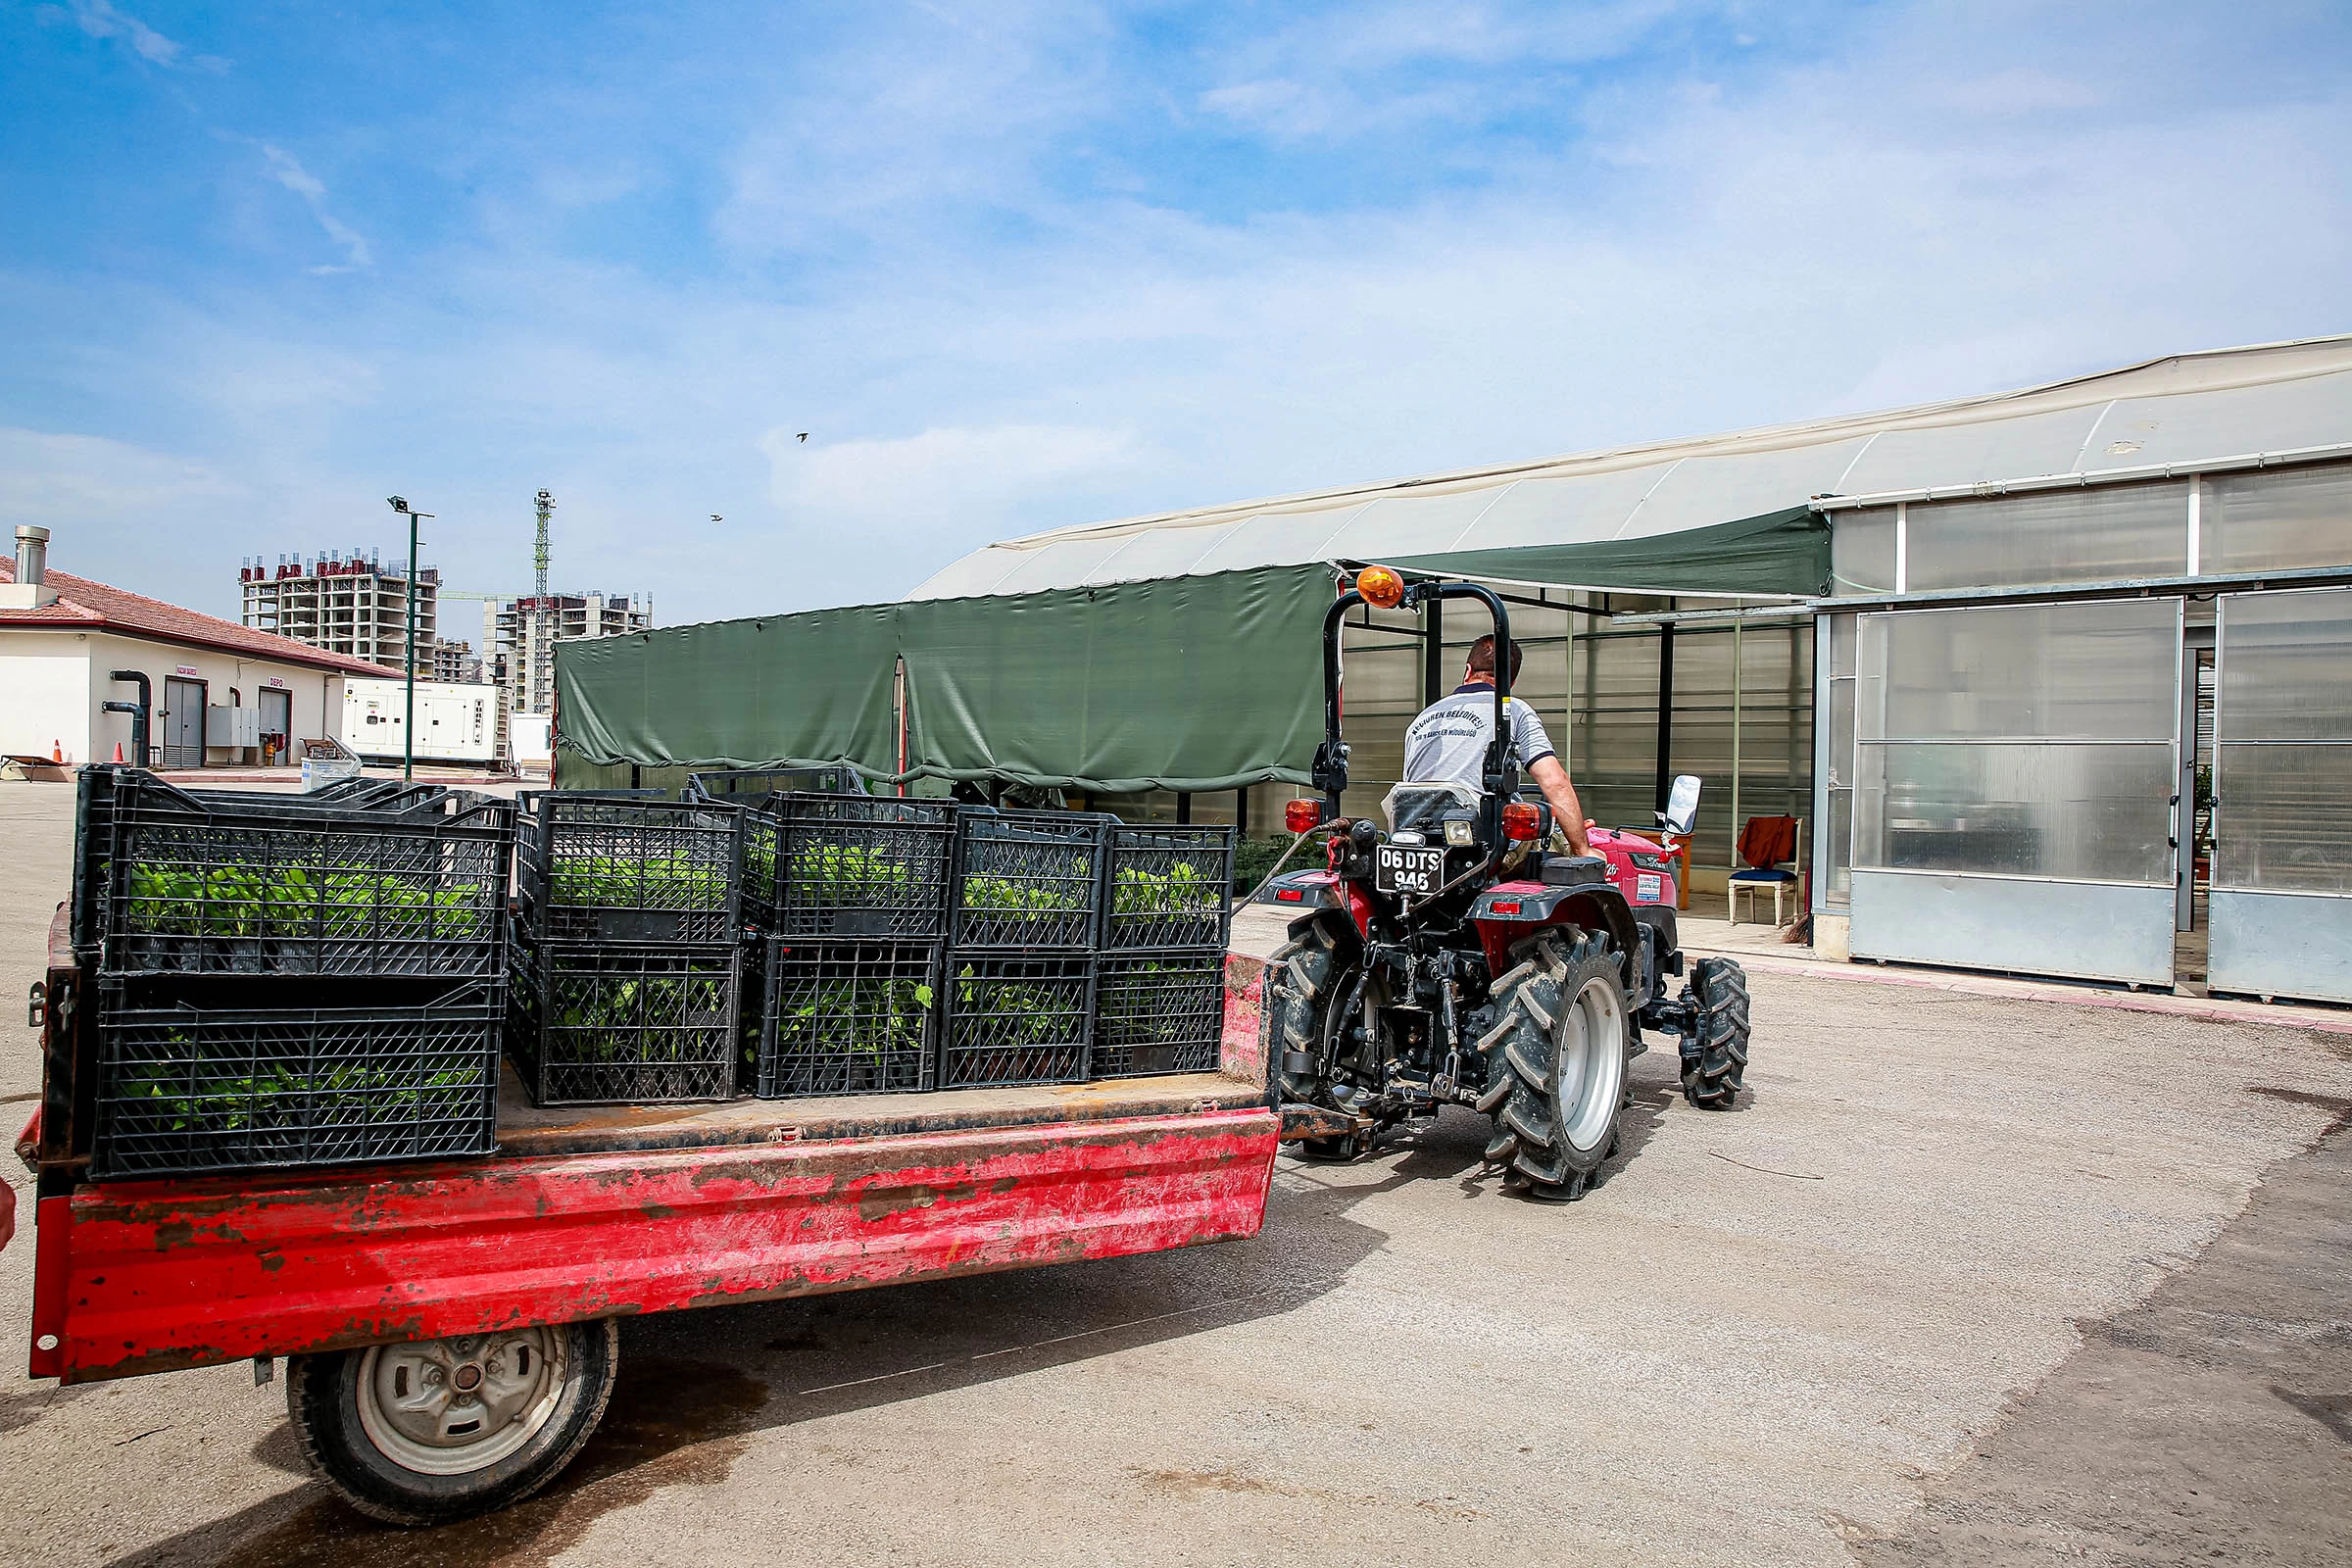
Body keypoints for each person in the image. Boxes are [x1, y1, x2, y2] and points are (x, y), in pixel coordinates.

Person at [1401, 633, 1592, 857]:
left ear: (1468, 671)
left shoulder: (1425, 717)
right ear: (1510, 683)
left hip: (1418, 842)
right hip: (1481, 848)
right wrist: (1582, 847)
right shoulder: (1513, 711)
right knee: (1568, 848)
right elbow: (1554, 782)